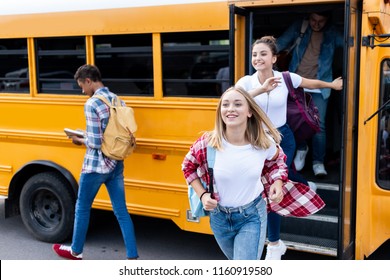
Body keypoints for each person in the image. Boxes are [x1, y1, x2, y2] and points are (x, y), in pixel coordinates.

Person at [235, 36, 342, 259]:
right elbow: (234, 100)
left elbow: (309, 83)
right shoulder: (246, 82)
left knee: (274, 186)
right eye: (255, 54)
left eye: (263, 54)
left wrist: (331, 85)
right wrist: (261, 90)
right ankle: (305, 184)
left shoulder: (285, 78)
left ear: (274, 58)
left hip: (283, 138)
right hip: (258, 141)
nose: (258, 58)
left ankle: (274, 245)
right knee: (281, 179)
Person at [182, 86, 287, 260]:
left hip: (252, 216)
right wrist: (202, 196)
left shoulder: (263, 142)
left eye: (238, 104)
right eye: (225, 105)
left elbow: (278, 160)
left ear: (249, 112)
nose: (230, 109)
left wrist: (278, 182)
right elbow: (187, 167)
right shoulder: (208, 143)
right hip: (219, 218)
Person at [52, 64, 138, 260]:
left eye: (82, 85)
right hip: (116, 163)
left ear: (89, 81)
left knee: (82, 207)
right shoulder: (117, 99)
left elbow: (96, 142)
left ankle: (76, 251)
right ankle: (133, 256)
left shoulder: (92, 104)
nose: (82, 90)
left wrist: (79, 139)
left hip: (96, 166)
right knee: (121, 212)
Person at [276, 11, 344, 177]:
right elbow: (278, 44)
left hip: (321, 86)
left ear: (327, 20)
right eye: (314, 20)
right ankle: (301, 148)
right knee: (294, 122)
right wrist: (259, 52)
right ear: (309, 18)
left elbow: (352, 45)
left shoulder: (333, 33)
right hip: (296, 84)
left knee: (318, 126)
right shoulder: (300, 27)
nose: (316, 24)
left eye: (321, 21)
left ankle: (318, 162)